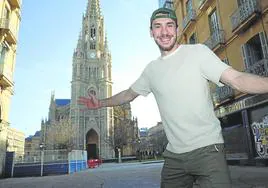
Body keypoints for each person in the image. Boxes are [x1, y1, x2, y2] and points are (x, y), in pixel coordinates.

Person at [78, 7, 268, 188]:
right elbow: (128, 94)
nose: (164, 31)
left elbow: (237, 79)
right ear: (151, 32)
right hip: (174, 157)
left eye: (169, 25)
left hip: (208, 151)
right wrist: (100, 103)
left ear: (177, 29)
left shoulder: (198, 52)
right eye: (157, 26)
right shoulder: (151, 70)